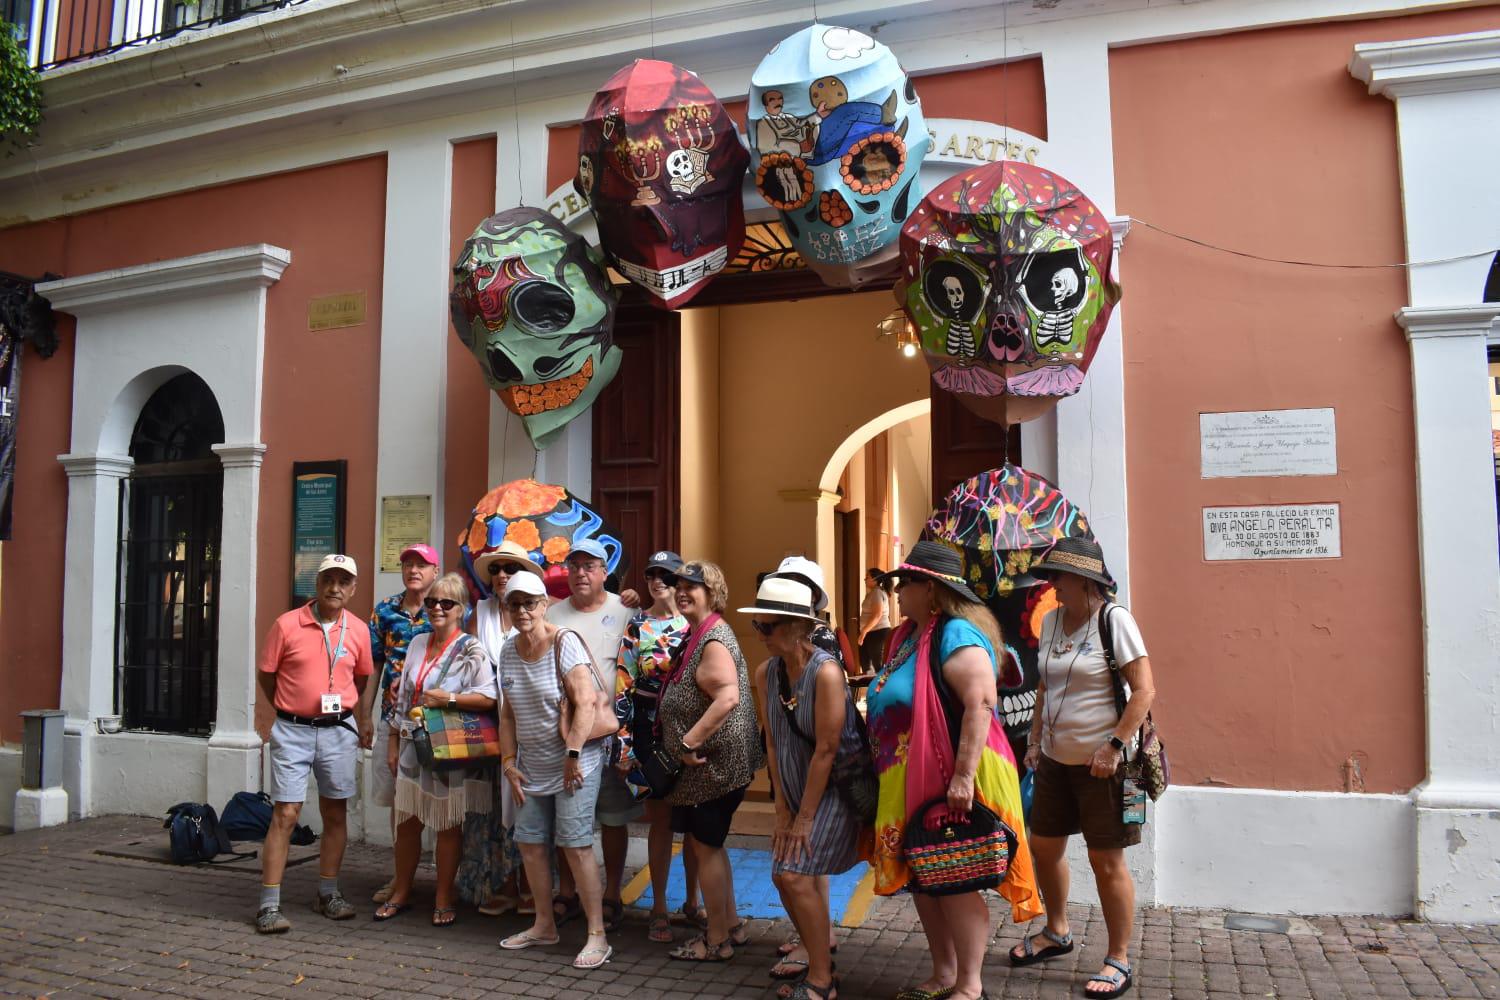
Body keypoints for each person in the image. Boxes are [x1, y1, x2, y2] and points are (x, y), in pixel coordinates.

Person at [866, 541, 1042, 1000]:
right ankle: (943, 974)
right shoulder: (908, 636)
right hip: (912, 774)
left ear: (932, 589)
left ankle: (969, 985)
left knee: (956, 879)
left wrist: (962, 778)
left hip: (956, 772)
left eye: (907, 583)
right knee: (926, 876)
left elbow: (980, 703)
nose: (899, 592)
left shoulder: (956, 634)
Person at [1008, 537, 1156, 1000]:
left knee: (1105, 860)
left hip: (1104, 767)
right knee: (1044, 847)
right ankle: (1057, 931)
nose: (1051, 586)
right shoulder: (1050, 621)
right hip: (1054, 759)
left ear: (1085, 580)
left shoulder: (1115, 620)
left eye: (1058, 577)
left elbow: (1145, 691)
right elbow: (1045, 690)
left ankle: (1119, 958)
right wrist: (1034, 742)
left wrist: (1113, 746)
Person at [747, 575, 869, 1000]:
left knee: (795, 875)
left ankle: (821, 979)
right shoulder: (766, 673)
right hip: (796, 790)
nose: (761, 634)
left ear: (798, 626)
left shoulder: (826, 673)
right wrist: (781, 809)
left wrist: (803, 819)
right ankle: (818, 958)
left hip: (834, 790)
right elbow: (774, 744)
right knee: (784, 876)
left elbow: (827, 750)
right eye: (757, 626)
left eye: (768, 626)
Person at [253, 553, 375, 934]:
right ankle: (269, 905)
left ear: (353, 589)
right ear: (317, 584)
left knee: (335, 813)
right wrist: (290, 706)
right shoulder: (287, 624)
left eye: (343, 582)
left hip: (338, 730)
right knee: (285, 814)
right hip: (293, 731)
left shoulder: (357, 630)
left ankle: (328, 892)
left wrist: (347, 713)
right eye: (328, 580)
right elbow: (267, 675)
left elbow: (361, 678)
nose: (334, 588)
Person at [497, 571, 613, 970]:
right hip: (531, 766)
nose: (523, 611)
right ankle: (544, 925)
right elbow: (508, 714)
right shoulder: (509, 650)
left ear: (545, 605)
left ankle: (597, 934)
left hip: (573, 764)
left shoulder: (563, 643)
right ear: (507, 609)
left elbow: (583, 703)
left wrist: (575, 754)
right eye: (515, 604)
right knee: (529, 843)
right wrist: (508, 763)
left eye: (530, 603)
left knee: (575, 845)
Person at [376, 573, 497, 927]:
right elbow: (403, 698)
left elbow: (489, 697)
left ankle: (444, 896)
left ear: (462, 609)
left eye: (447, 603)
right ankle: (402, 890)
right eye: (431, 602)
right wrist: (395, 740)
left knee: (446, 824)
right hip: (414, 743)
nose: (437, 609)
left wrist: (450, 698)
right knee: (406, 821)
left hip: (448, 746)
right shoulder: (417, 642)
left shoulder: (471, 648)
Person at [660, 560, 764, 962]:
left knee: (706, 848)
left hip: (713, 766)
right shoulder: (700, 633)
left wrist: (688, 740)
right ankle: (732, 925)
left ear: (712, 592)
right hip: (711, 766)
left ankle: (716, 938)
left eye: (693, 586)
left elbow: (728, 697)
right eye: (679, 585)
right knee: (711, 847)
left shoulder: (714, 639)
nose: (683, 591)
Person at [545, 539, 642, 932]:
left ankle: (612, 893)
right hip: (569, 733)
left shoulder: (627, 609)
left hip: (613, 732)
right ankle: (566, 893)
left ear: (605, 572)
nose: (581, 573)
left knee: (614, 817)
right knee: (565, 818)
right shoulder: (552, 614)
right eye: (575, 566)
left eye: (590, 566)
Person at [616, 549, 703, 943]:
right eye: (652, 575)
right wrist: (623, 743)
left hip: (691, 727)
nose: (657, 582)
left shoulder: (696, 626)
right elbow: (623, 684)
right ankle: (659, 907)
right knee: (661, 819)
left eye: (666, 577)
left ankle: (693, 901)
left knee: (696, 822)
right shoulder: (636, 626)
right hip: (649, 728)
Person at [459, 539, 544, 917]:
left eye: (510, 568)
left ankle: (534, 888)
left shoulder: (541, 609)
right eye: (495, 569)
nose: (502, 575)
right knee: (493, 808)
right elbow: (474, 664)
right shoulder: (481, 612)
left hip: (532, 722)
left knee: (529, 802)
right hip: (491, 720)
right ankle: (504, 885)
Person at [366, 542, 438, 904]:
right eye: (408, 564)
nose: (414, 570)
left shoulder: (445, 609)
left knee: (441, 802)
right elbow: (374, 666)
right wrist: (364, 714)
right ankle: (400, 877)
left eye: (421, 565)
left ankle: (443, 884)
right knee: (398, 801)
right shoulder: (385, 611)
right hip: (391, 720)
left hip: (435, 723)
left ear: (434, 572)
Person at [857, 567, 894, 673]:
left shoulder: (877, 592)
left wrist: (864, 632)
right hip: (872, 633)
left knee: (878, 669)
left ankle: (879, 689)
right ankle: (872, 688)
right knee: (869, 668)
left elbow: (877, 615)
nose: (865, 580)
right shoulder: (874, 593)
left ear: (875, 579)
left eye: (867, 577)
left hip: (878, 633)